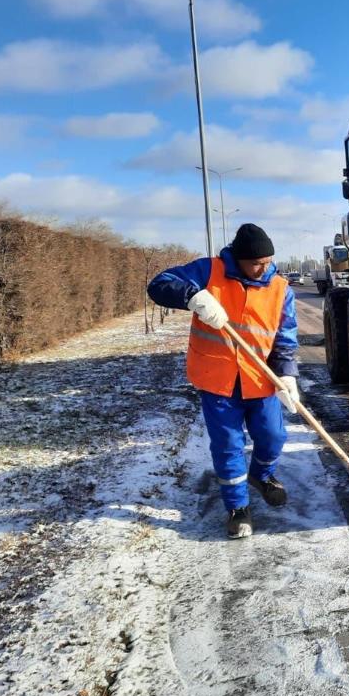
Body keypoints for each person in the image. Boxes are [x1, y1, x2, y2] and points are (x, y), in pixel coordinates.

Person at [147, 223, 302, 538]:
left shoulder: (280, 288)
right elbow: (159, 285)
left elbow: (285, 338)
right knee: (229, 445)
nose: (263, 268)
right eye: (256, 263)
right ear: (239, 259)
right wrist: (193, 296)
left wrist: (287, 374)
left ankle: (261, 476)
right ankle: (237, 508)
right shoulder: (209, 271)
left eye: (268, 261)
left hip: (260, 378)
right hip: (218, 380)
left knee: (273, 435)